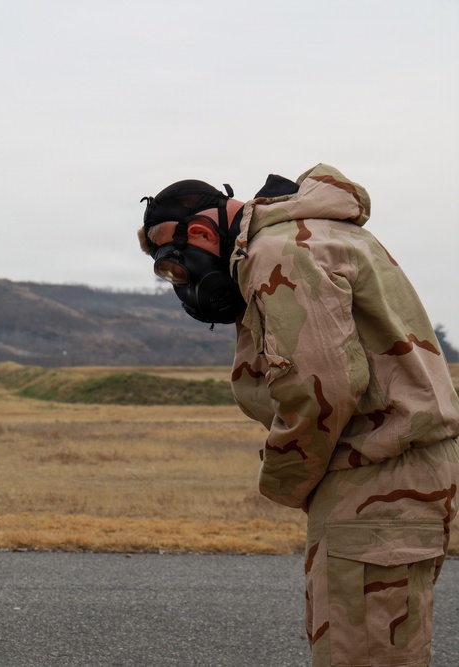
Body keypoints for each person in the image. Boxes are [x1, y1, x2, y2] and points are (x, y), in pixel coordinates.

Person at [137, 164, 459, 667]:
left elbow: (320, 390)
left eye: (174, 267)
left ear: (200, 234)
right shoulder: (319, 235)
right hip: (395, 477)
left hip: (376, 481)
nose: (181, 283)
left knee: (363, 656)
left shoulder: (278, 252)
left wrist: (283, 480)